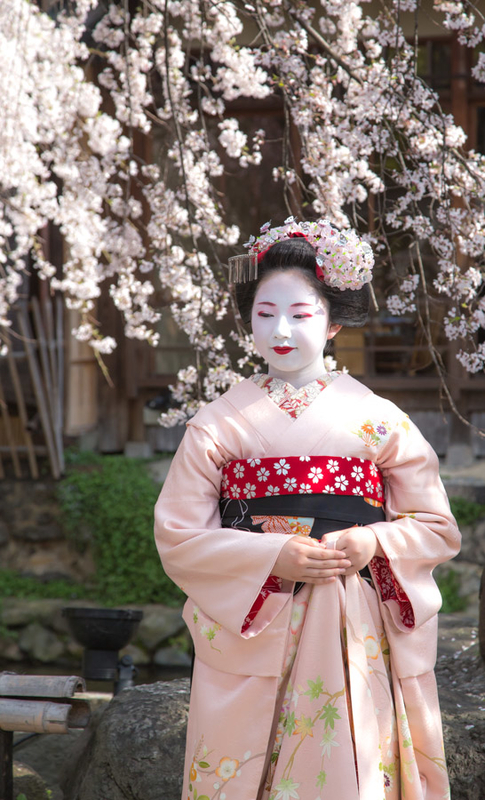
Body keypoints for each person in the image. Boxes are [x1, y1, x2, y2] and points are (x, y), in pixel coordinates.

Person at [154, 217, 460, 800]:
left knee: (352, 763)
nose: (281, 330)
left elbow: (436, 526)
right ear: (248, 320)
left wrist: (375, 541)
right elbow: (179, 534)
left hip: (353, 614)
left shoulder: (381, 420)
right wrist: (272, 556)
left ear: (334, 320)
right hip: (260, 611)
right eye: (265, 314)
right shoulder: (217, 423)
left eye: (301, 314)